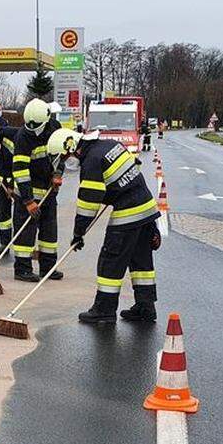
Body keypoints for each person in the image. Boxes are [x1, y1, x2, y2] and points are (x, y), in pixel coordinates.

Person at [46, 128, 161, 324]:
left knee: (110, 261)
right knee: (141, 262)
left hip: (128, 213)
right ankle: (146, 307)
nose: (66, 162)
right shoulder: (109, 146)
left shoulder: (92, 161)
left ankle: (104, 311)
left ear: (71, 146)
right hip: (146, 209)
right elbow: (125, 178)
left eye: (65, 157)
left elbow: (88, 204)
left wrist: (78, 233)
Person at [11, 98, 63, 282]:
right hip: (27, 194)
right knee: (26, 233)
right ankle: (22, 269)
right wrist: (28, 200)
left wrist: (57, 173)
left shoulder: (55, 128)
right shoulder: (23, 137)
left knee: (49, 231)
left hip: (48, 191)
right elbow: (20, 171)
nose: (34, 129)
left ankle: (48, 268)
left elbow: (60, 153)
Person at [0, 124, 19, 253]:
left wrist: (12, 186)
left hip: (19, 182)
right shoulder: (2, 136)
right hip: (1, 179)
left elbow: (19, 168)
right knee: (3, 214)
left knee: (20, 214)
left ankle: (20, 242)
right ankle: (5, 243)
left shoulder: (23, 143)